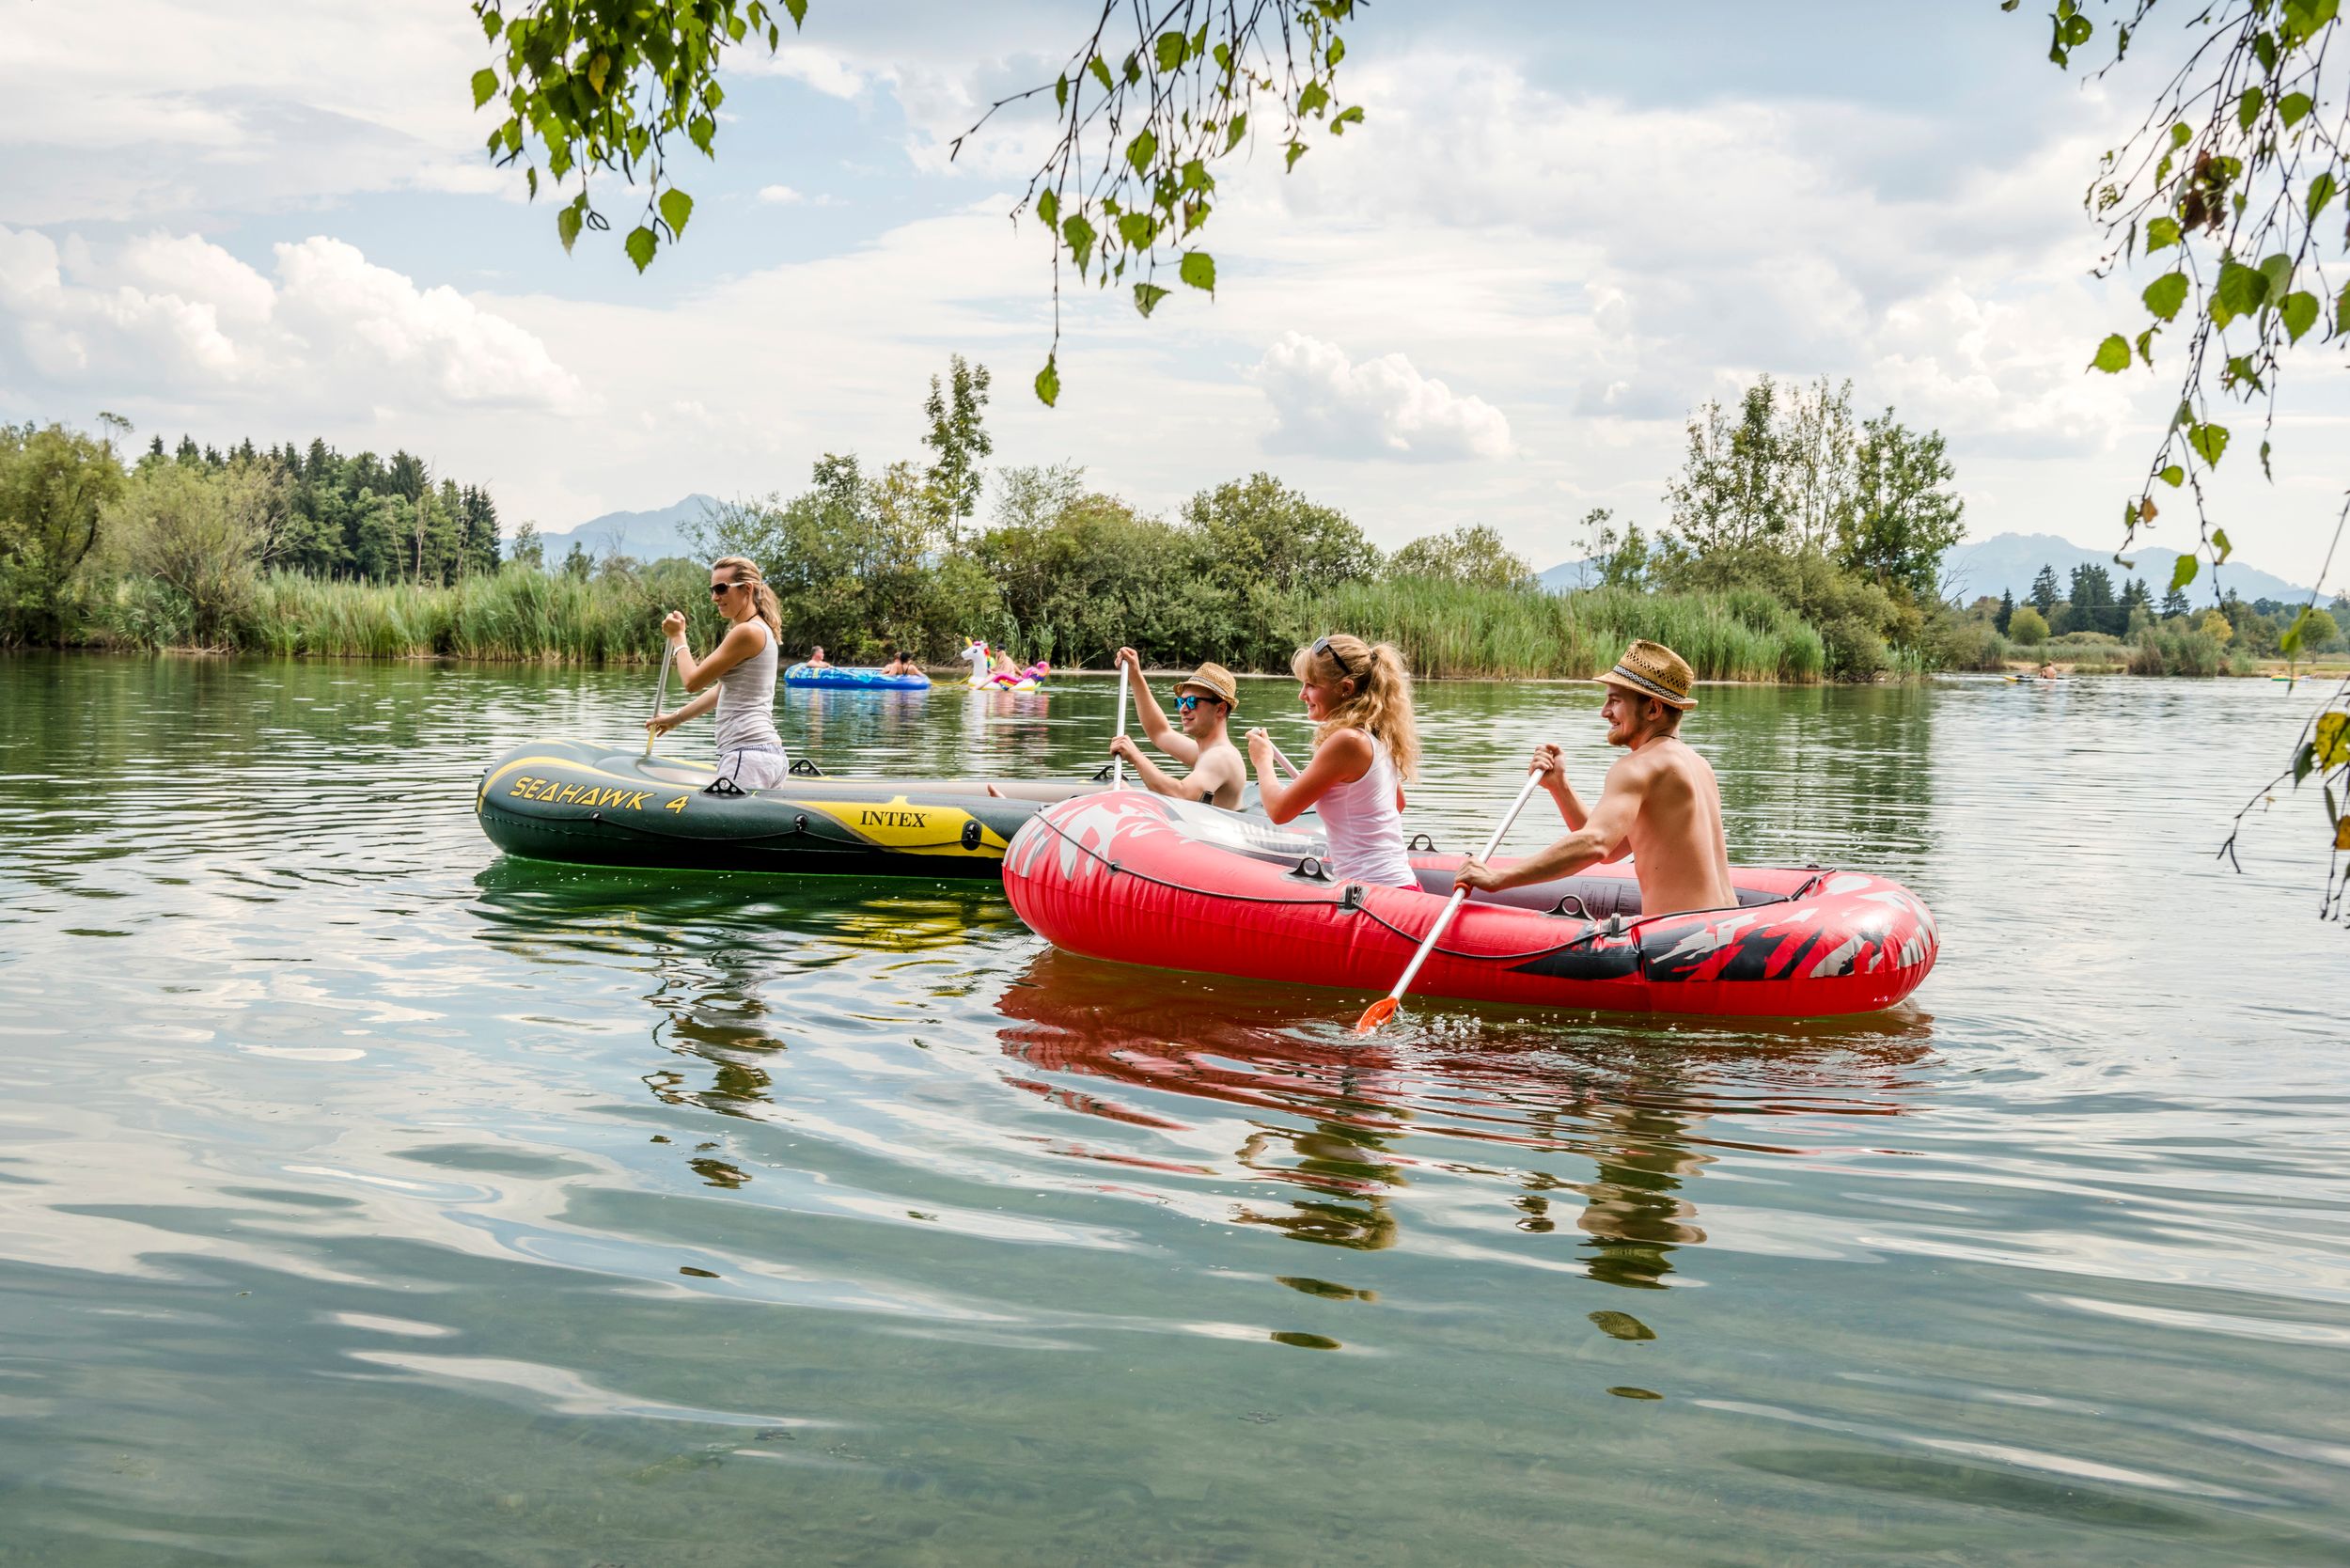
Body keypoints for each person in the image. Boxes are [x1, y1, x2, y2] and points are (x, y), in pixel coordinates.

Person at [1455, 639, 1734, 918]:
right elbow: (1610, 849)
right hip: (1726, 931)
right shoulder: (1699, 766)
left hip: (1680, 943)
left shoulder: (1638, 766)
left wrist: (1498, 878)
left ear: (1652, 709)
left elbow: (1595, 843)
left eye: (1614, 701)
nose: (1604, 712)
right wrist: (1559, 787)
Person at [1244, 633, 1419, 888]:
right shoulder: (1376, 737)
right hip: (1398, 885)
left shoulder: (1348, 741)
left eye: (1311, 685)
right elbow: (1398, 804)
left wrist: (1263, 761)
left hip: (1375, 894)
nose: (1302, 695)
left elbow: (1279, 812)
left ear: (1345, 689)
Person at [645, 557, 791, 789]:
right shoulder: (761, 629)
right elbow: (721, 690)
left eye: (722, 589)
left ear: (747, 589)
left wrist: (678, 638)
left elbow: (692, 682)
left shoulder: (747, 632)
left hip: (747, 755)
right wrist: (675, 719)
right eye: (712, 589)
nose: (715, 597)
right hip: (767, 755)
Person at [1108, 648, 1246, 808]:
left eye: (1193, 701)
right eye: (1181, 702)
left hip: (1208, 833)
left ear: (1220, 709)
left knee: (1121, 792)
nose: (1183, 709)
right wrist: (1135, 674)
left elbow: (1181, 795)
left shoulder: (1222, 757)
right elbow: (1159, 732)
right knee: (1120, 789)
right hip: (1199, 828)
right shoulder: (1206, 751)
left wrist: (1136, 757)